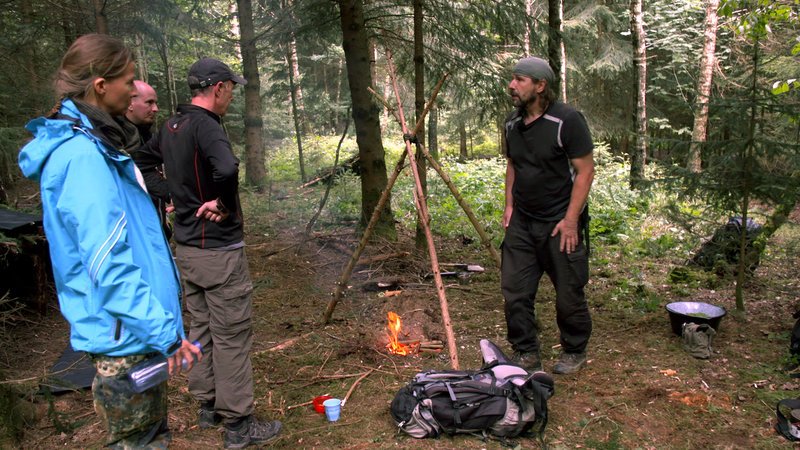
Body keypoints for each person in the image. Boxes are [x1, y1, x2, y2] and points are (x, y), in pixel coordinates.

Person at [17, 33, 201, 448]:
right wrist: (167, 333)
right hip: (128, 337)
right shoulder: (82, 157)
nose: (135, 89)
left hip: (132, 331)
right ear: (101, 85)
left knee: (148, 436)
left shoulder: (95, 146)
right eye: (129, 79)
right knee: (141, 442)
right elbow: (108, 263)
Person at [136, 57, 282, 449]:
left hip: (186, 250)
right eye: (230, 89)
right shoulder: (206, 126)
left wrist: (177, 198)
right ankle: (239, 424)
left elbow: (141, 163)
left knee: (200, 327)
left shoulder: (171, 125)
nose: (231, 96)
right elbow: (227, 168)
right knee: (231, 334)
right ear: (217, 87)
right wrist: (220, 202)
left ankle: (207, 405)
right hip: (218, 251)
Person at [501, 56, 595, 375]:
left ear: (540, 86)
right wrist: (509, 205)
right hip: (523, 222)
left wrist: (571, 220)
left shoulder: (567, 121)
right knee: (514, 289)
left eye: (520, 80)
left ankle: (574, 349)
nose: (512, 86)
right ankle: (526, 351)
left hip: (559, 222)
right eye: (512, 79)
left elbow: (585, 171)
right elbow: (513, 164)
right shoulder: (512, 124)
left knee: (568, 291)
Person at [125, 80, 173, 239]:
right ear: (130, 103)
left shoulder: (147, 136)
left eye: (156, 103)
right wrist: (174, 194)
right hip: (137, 233)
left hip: (155, 229)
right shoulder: (119, 140)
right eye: (149, 103)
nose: (155, 109)